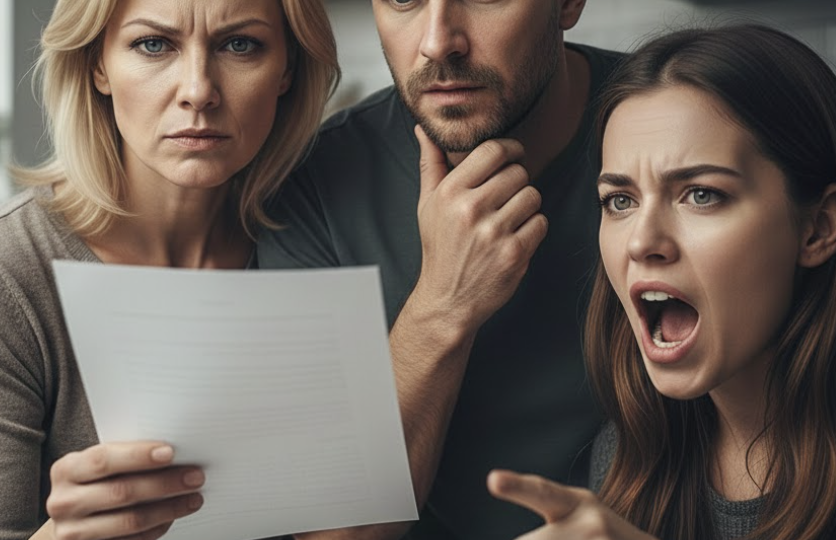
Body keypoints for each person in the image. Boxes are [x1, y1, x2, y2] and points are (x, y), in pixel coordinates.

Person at [0, 0, 340, 539]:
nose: (198, 91)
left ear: (287, 70)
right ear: (97, 64)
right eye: (153, 44)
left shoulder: (321, 244)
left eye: (240, 45)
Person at [258, 0, 622, 538]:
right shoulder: (310, 188)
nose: (437, 42)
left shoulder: (680, 124)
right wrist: (444, 304)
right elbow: (340, 534)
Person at [486, 24, 836, 540]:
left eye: (700, 194)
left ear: (818, 228)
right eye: (620, 201)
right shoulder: (628, 459)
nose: (640, 242)